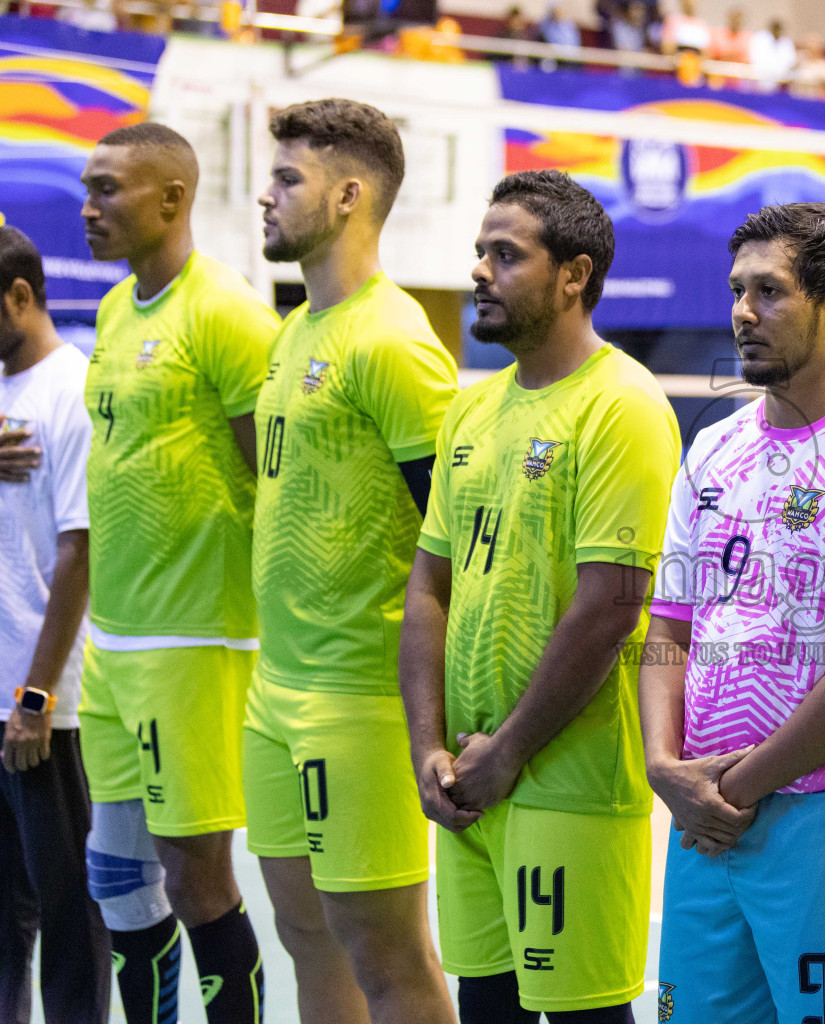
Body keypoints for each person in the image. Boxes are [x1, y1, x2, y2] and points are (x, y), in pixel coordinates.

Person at [641, 201, 825, 1024]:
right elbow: (670, 624)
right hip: (705, 819)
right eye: (738, 290)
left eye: (769, 292)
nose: (743, 311)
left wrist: (731, 788)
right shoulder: (712, 448)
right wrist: (664, 765)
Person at [399, 169, 679, 1024]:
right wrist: (427, 749)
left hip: (568, 783)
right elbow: (428, 586)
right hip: (468, 778)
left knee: (584, 1015)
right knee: (486, 1009)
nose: (479, 271)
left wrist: (511, 748)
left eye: (506, 254)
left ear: (574, 274)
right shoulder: (470, 409)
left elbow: (609, 609)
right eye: (480, 252)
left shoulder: (621, 405)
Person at [249, 98, 459, 1024]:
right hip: (275, 689)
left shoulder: (394, 340)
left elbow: (449, 536)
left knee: (388, 954)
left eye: (287, 178)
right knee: (304, 938)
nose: (265, 194)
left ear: (346, 196)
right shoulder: (295, 331)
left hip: (359, 695)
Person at [78, 121, 274, 1024]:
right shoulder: (117, 312)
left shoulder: (228, 312)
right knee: (116, 876)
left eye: (109, 190)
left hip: (193, 641)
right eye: (88, 188)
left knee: (198, 879)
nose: (90, 209)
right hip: (113, 643)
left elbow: (275, 483)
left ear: (171, 199)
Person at [0, 226, 112, 1024]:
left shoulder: (71, 390)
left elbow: (81, 551)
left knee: (70, 912)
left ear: (20, 296)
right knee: (3, 924)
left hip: (48, 709)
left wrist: (35, 696)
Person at [748, 18, 796, 93]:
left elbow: (790, 63)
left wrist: (780, 78)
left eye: (779, 29)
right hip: (760, 84)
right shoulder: (760, 39)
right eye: (775, 28)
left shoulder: (787, 43)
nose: (777, 31)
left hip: (781, 86)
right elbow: (756, 61)